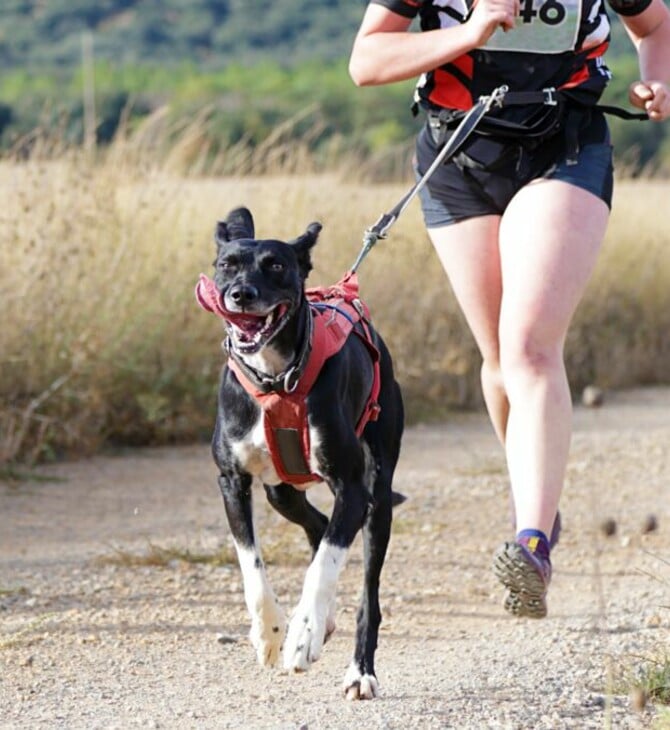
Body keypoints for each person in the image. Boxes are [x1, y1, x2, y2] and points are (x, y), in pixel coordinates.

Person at [349, 0, 670, 618]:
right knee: (497, 357)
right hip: (457, 156)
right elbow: (366, 61)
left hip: (566, 148)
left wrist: (658, 81)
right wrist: (468, 32)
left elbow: (654, 26)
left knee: (528, 347)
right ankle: (538, 500)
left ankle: (531, 541)